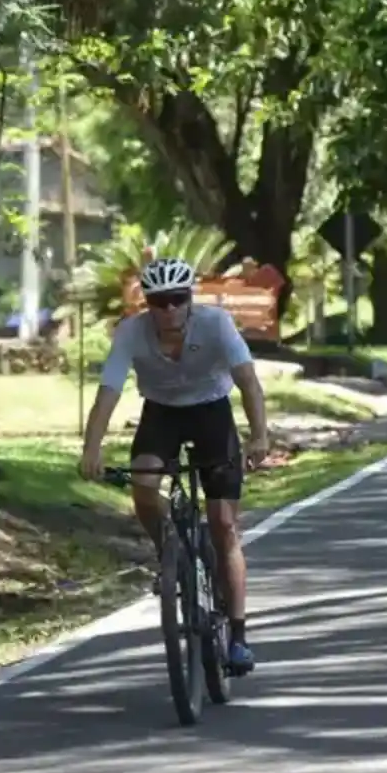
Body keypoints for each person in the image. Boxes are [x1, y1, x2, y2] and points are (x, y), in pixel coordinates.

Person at [78, 257, 269, 675]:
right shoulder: (131, 332)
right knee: (144, 485)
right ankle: (170, 553)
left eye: (177, 299)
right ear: (147, 303)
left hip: (211, 412)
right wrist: (92, 448)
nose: (169, 309)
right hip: (161, 413)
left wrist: (259, 436)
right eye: (159, 302)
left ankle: (238, 637)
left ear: (190, 299)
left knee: (223, 525)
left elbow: (248, 382)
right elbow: (108, 392)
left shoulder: (216, 324)